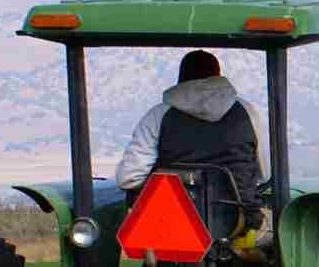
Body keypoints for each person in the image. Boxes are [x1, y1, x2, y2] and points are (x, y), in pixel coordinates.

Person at [113, 50, 264, 209]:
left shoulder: (158, 115)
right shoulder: (248, 112)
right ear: (217, 77)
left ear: (180, 78)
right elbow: (264, 174)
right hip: (239, 222)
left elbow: (129, 178)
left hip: (170, 220)